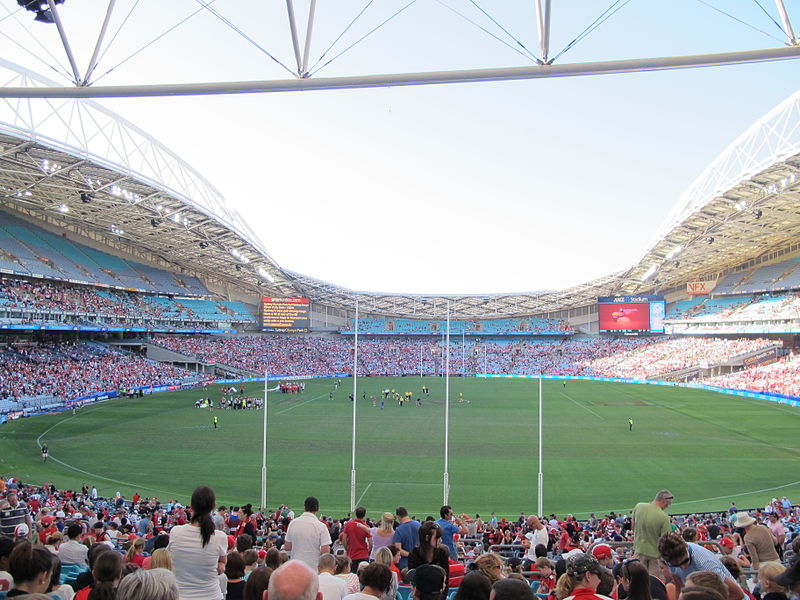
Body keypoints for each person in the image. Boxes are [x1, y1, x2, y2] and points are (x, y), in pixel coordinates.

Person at [168, 485, 228, 600]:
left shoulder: (176, 532)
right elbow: (222, 564)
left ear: (191, 506)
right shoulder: (220, 537)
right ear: (213, 506)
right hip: (210, 596)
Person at [657, 532, 743, 600]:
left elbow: (738, 594)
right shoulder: (670, 558)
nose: (683, 567)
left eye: (685, 561)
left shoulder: (705, 563)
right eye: (676, 565)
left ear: (686, 546)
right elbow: (679, 588)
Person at [632, 490, 673, 577]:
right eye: (668, 504)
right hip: (655, 556)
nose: (667, 506)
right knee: (655, 582)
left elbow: (633, 527)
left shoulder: (639, 506)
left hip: (639, 551)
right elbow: (666, 540)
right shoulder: (664, 517)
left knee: (638, 580)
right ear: (664, 501)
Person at [284, 497, 332, 570]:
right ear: (318, 508)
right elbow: (325, 551)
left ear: (304, 508)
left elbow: (287, 547)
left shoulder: (293, 523)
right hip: (313, 567)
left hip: (296, 566)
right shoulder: (321, 526)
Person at [408, 521, 451, 589]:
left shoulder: (442, 554)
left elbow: (446, 581)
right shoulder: (414, 555)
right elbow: (413, 581)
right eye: (437, 538)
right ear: (427, 538)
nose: (441, 540)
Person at [341, 507, 372, 572]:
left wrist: (347, 548)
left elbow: (344, 539)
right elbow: (370, 542)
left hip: (352, 554)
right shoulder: (365, 526)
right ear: (364, 515)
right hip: (363, 554)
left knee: (352, 574)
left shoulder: (349, 525)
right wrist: (369, 550)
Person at [393, 507, 421, 572]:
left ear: (398, 516)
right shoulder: (418, 525)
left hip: (405, 563)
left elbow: (398, 549)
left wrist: (410, 555)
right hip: (418, 560)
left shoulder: (399, 529)